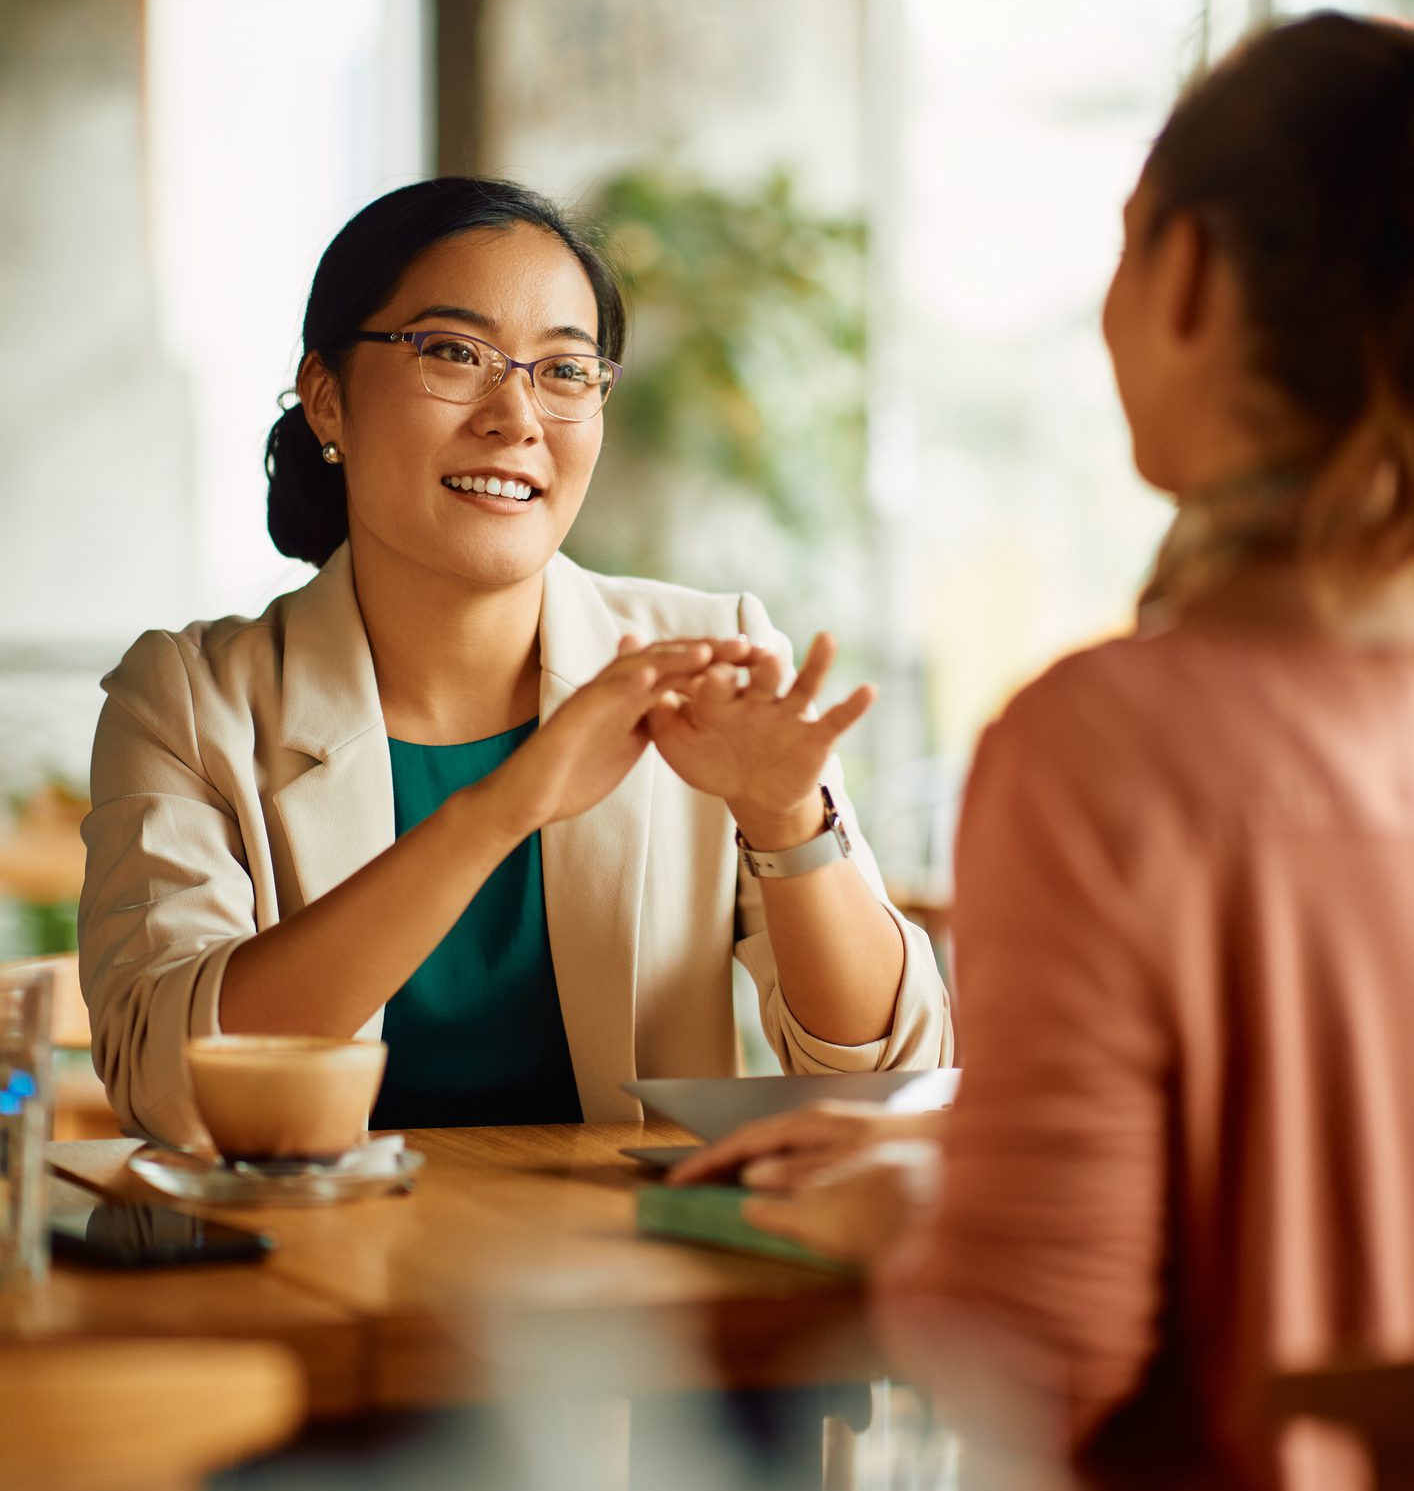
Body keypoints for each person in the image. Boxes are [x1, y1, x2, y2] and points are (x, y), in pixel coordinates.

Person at [675, 13, 1414, 1491]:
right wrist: (962, 1144)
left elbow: (1041, 1347)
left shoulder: (1108, 748)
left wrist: (905, 1218)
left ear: (1187, 279)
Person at [78, 178, 947, 1147]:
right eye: (453, 352)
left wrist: (789, 826)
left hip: (627, 1278)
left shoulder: (704, 663)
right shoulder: (190, 701)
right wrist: (503, 808)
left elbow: (891, 1074)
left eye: (565, 372)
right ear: (327, 398)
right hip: (302, 1277)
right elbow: (169, 1081)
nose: (516, 415)